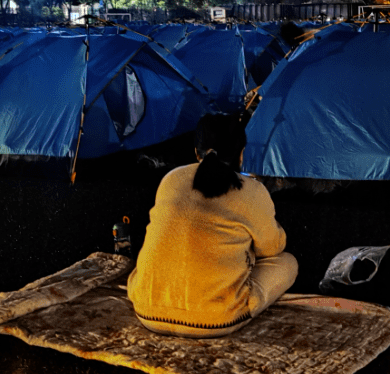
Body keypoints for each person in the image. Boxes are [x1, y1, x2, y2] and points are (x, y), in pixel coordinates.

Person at [127, 112, 298, 338]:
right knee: (287, 262)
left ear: (196, 151)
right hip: (214, 320)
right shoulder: (252, 190)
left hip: (147, 311)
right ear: (241, 153)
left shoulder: (171, 179)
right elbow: (272, 248)